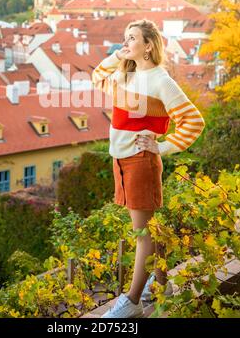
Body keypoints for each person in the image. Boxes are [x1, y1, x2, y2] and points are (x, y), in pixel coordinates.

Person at [92, 19, 206, 318]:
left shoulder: (161, 81)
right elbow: (96, 76)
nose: (125, 43)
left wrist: (162, 146)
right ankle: (162, 282)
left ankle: (132, 302)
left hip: (140, 163)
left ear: (149, 46)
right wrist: (118, 56)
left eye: (132, 39)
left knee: (142, 232)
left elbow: (194, 122)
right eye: (124, 37)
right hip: (121, 161)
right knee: (150, 228)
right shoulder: (125, 76)